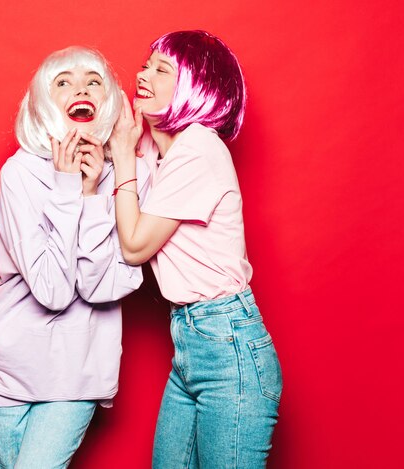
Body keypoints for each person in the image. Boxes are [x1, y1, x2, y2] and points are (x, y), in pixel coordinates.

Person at [0, 46, 149, 468]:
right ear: (45, 101)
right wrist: (69, 190)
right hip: (4, 375)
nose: (79, 88)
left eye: (93, 80)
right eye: (63, 81)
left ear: (109, 102)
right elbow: (50, 287)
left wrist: (90, 192)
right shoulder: (20, 173)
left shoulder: (128, 177)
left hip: (76, 377)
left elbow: (100, 286)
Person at [109, 30, 282, 468]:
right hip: (190, 343)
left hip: (228, 348)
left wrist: (125, 158)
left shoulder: (199, 148)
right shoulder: (158, 149)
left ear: (194, 87)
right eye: (146, 65)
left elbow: (133, 246)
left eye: (161, 69)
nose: (143, 74)